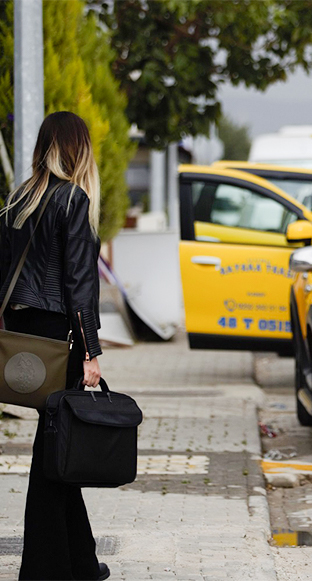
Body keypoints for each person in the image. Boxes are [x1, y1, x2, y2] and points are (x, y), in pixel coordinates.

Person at [0, 112, 108, 580]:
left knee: (57, 448)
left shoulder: (18, 199)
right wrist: (91, 352)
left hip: (22, 335)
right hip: (60, 340)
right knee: (53, 455)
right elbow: (79, 286)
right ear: (77, 149)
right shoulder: (74, 200)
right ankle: (43, 569)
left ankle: (80, 561)